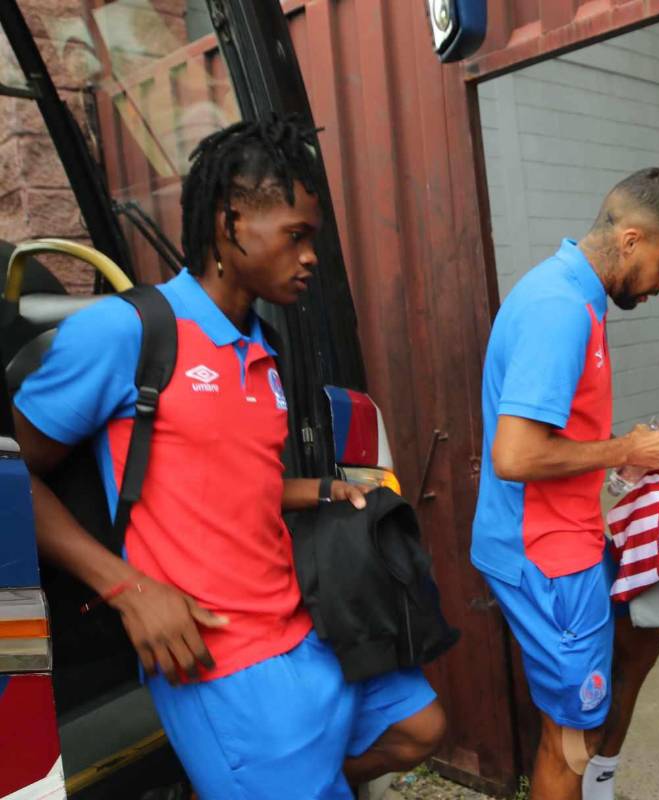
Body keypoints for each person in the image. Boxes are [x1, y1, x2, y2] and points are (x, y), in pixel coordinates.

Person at [13, 117, 444, 798]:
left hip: (307, 624)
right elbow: (9, 469)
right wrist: (127, 588)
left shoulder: (263, 352)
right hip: (219, 658)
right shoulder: (125, 332)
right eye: (296, 237)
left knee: (421, 728)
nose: (311, 259)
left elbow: (230, 481)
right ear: (230, 222)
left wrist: (319, 493)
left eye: (314, 241)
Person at [472, 167, 659, 800]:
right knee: (569, 734)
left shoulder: (576, 296)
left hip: (568, 534)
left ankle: (597, 786)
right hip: (545, 551)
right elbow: (516, 455)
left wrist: (615, 460)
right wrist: (624, 447)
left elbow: (553, 438)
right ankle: (584, 778)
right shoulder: (559, 309)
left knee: (637, 645)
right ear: (631, 239)